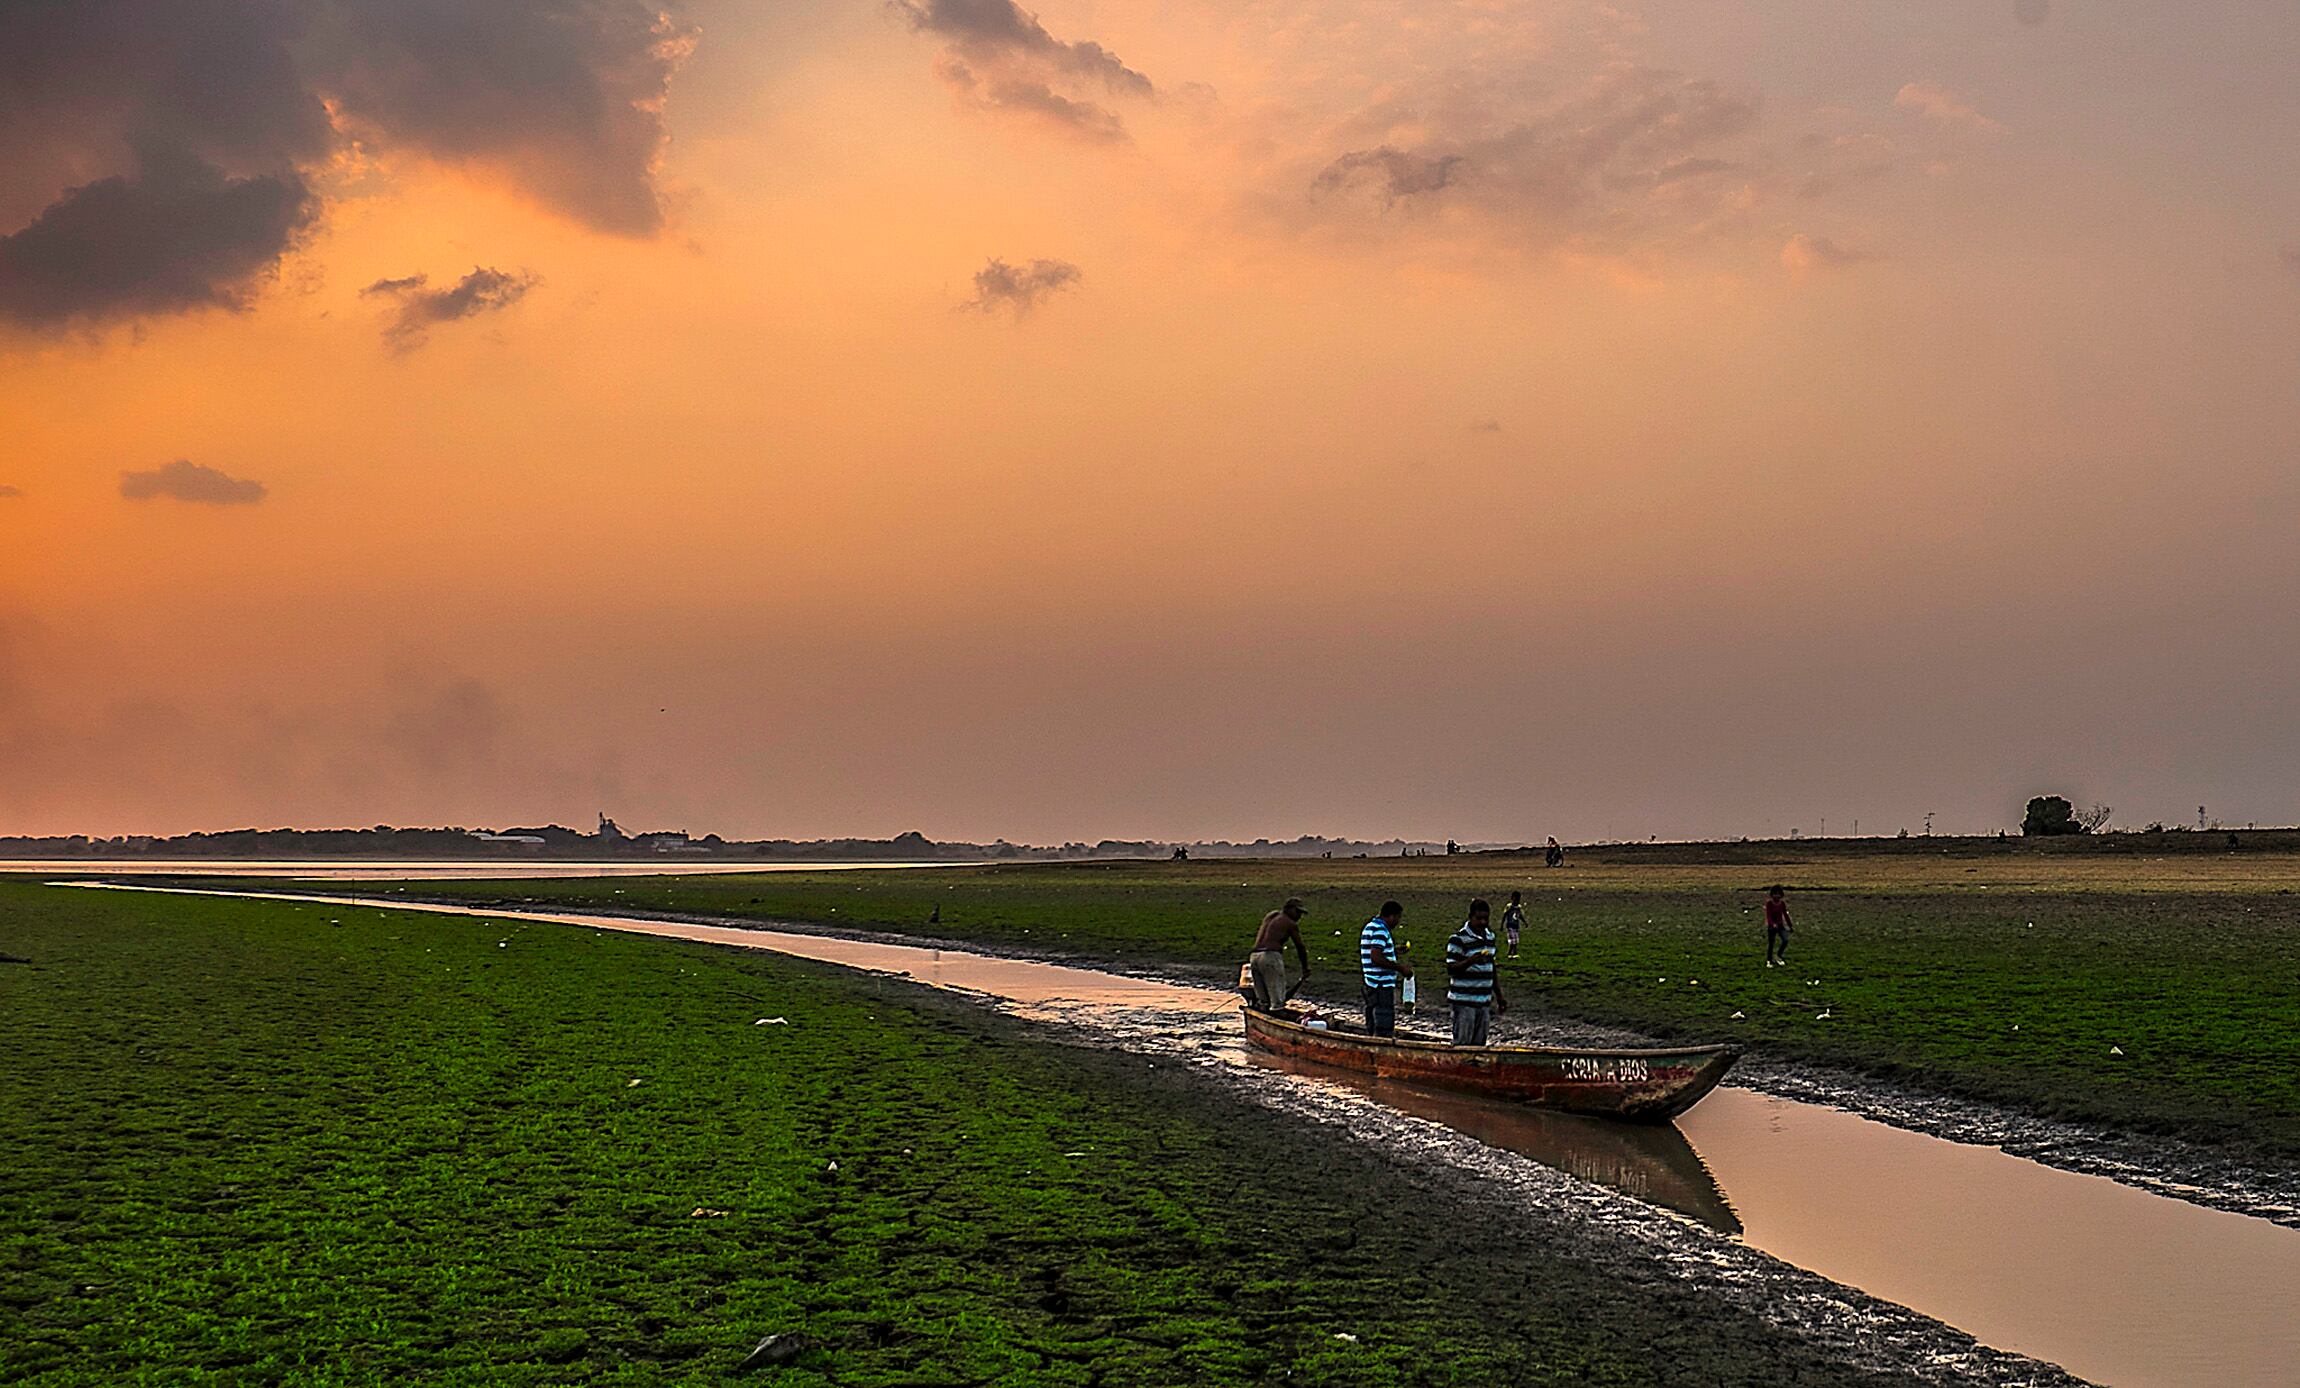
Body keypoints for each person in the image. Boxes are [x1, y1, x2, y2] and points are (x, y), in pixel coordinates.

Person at [1445, 898, 1507, 1045]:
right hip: (1464, 1002)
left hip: (1484, 1002)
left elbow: (1492, 968)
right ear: (1470, 917)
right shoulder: (1458, 939)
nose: (1483, 922)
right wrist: (1470, 961)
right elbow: (1451, 969)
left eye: (1485, 919)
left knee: (1479, 1046)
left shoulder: (1490, 937)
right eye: (1478, 919)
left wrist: (1499, 996)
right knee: (1462, 1044)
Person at [1358, 901, 1412, 1036]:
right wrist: (1400, 968)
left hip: (1370, 981)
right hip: (1380, 983)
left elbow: (1376, 950)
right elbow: (1376, 957)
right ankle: (1382, 1044)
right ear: (1392, 916)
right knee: (1384, 1018)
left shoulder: (1370, 926)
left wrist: (1393, 951)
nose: (1398, 922)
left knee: (1371, 1015)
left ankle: (1370, 1041)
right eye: (1398, 918)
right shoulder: (1380, 930)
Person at [1247, 898, 1311, 1012]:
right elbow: (1300, 946)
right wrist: (1305, 968)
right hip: (1270, 957)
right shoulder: (1289, 923)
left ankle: (1262, 1017)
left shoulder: (1271, 916)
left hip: (1254, 957)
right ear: (1289, 909)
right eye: (1298, 912)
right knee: (1277, 1002)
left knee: (1263, 1000)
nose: (1299, 916)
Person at [1764, 885, 1793, 967]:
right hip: (1771, 927)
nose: (1777, 896)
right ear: (1772, 895)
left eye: (1779, 894)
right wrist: (1772, 924)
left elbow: (1785, 914)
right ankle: (1769, 960)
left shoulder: (1782, 904)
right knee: (1771, 944)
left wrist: (1790, 925)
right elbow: (1768, 915)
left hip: (1780, 925)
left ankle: (1778, 956)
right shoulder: (1769, 904)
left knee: (1785, 940)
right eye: (1775, 894)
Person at [1500, 890, 1526, 958]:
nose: (1517, 901)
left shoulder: (1518, 907)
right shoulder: (1509, 906)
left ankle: (1511, 953)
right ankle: (1513, 952)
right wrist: (1502, 925)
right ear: (1512, 898)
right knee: (1512, 940)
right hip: (1510, 925)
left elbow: (1520, 916)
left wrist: (1524, 922)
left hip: (1516, 926)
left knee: (1516, 940)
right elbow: (1505, 915)